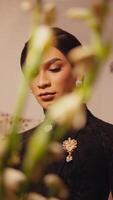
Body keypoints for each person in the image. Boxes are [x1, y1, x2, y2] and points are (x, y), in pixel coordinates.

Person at [20, 27, 113, 200]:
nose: (42, 82)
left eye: (54, 68)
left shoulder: (107, 139)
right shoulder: (19, 145)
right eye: (32, 73)